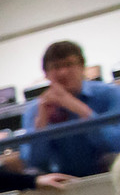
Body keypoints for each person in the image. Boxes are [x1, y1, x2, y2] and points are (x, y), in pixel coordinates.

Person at [19, 39, 120, 178]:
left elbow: (116, 143)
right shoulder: (35, 110)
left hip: (110, 173)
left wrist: (78, 108)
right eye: (55, 67)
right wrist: (41, 122)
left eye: (69, 64)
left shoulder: (110, 93)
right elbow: (32, 162)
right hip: (64, 182)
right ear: (46, 74)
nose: (62, 72)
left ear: (82, 67)